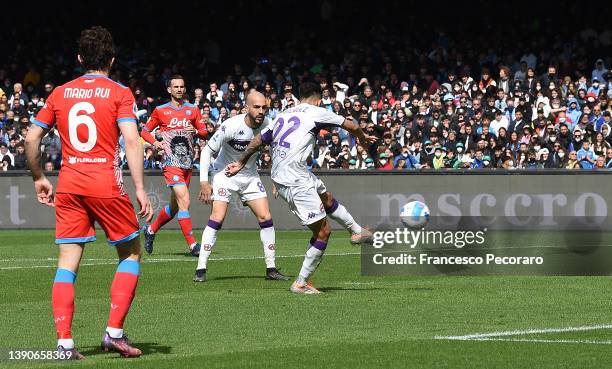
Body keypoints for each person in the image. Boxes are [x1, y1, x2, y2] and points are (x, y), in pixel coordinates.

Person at [24, 26, 153, 359]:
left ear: (80, 58)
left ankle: (64, 343)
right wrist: (139, 187)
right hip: (105, 184)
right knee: (131, 252)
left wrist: (39, 176)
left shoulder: (59, 93)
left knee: (67, 262)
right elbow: (130, 139)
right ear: (112, 59)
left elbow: (30, 138)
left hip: (69, 184)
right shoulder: (120, 92)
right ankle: (114, 333)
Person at [226, 82, 376, 294]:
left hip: (292, 173)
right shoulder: (317, 111)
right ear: (317, 99)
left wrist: (241, 162)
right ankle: (301, 283)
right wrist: (362, 138)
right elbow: (350, 124)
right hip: (294, 178)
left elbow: (259, 139)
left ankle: (356, 231)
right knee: (323, 231)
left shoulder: (282, 114)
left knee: (327, 199)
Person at [194, 91, 289, 282]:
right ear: (247, 108)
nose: (261, 111)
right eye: (256, 107)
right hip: (224, 173)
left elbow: (278, 153)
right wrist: (204, 181)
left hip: (249, 175)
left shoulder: (268, 126)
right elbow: (207, 152)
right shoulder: (231, 125)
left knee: (266, 217)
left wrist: (277, 179)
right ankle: (201, 268)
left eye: (264, 107)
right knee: (217, 217)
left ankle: (271, 268)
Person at [140, 75, 208, 256]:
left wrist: (196, 130)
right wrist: (155, 143)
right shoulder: (161, 110)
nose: (179, 89)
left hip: (187, 162)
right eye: (175, 87)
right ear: (169, 90)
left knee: (175, 207)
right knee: (185, 201)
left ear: (184, 89)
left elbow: (204, 132)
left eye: (182, 86)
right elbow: (145, 131)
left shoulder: (193, 110)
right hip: (170, 162)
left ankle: (151, 230)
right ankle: (193, 245)